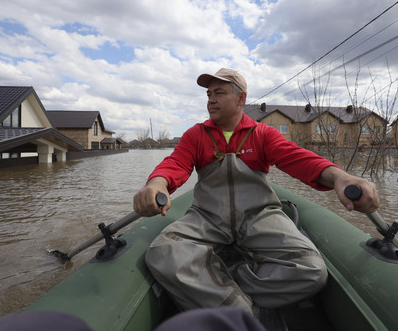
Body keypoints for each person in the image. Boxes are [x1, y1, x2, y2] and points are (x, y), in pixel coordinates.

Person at [133, 68, 379, 316]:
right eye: (208, 95)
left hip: (259, 215)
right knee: (161, 252)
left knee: (311, 270)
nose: (211, 100)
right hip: (207, 216)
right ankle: (240, 310)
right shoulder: (196, 135)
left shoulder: (262, 134)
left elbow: (298, 159)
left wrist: (339, 176)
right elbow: (176, 163)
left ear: (241, 99)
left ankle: (229, 278)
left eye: (219, 93)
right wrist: (157, 183)